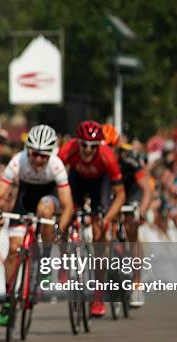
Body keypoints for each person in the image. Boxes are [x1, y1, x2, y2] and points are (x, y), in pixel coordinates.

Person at [0, 125, 74, 327]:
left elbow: (68, 205)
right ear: (28, 150)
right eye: (35, 154)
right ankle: (9, 297)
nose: (38, 160)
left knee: (45, 209)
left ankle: (44, 259)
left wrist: (59, 229)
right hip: (25, 200)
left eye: (43, 156)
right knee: (13, 249)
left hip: (49, 198)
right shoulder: (17, 161)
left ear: (51, 154)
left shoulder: (56, 165)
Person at [58, 120, 125, 317]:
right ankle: (64, 264)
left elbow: (120, 196)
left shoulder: (107, 156)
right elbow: (54, 176)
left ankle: (98, 296)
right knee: (65, 217)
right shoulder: (67, 150)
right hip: (76, 181)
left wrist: (106, 220)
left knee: (99, 236)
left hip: (99, 186)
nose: (87, 150)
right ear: (77, 142)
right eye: (84, 145)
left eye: (93, 146)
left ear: (100, 146)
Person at [103, 123, 151, 307]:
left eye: (110, 148)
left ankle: (137, 284)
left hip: (132, 195)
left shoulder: (130, 160)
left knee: (131, 230)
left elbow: (146, 189)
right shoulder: (99, 161)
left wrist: (143, 211)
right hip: (112, 195)